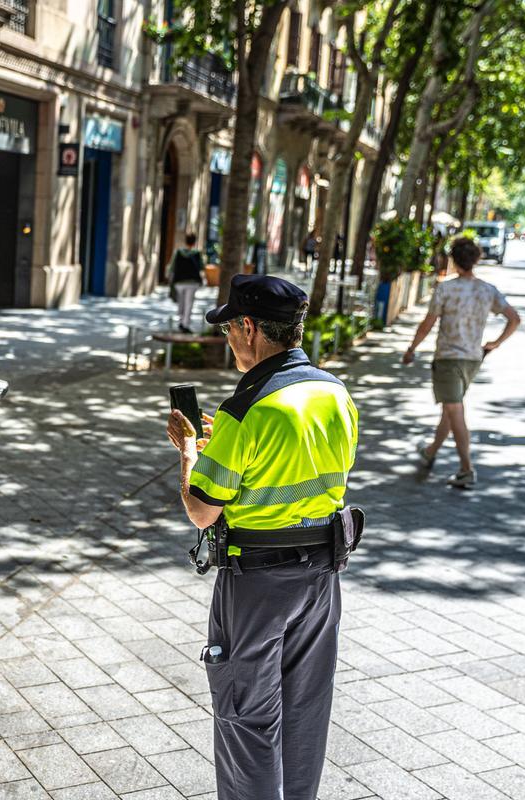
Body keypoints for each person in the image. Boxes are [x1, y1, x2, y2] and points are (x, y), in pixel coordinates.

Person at [164, 274, 358, 800]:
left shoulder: (244, 408)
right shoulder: (333, 392)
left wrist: (189, 454)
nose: (228, 339)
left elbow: (202, 511)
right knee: (305, 709)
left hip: (256, 585)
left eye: (229, 328)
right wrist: (227, 445)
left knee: (247, 717)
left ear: (249, 327)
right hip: (322, 577)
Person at [403, 238, 521, 489]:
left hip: (448, 358)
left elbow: (428, 323)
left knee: (454, 409)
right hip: (472, 359)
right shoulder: (487, 290)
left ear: (453, 259)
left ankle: (466, 469)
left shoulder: (446, 289)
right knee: (450, 408)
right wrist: (495, 343)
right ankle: (430, 451)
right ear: (476, 259)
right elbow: (514, 319)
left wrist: (412, 348)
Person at [167, 232, 205, 333]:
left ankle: (181, 321)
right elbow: (201, 267)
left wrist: (169, 278)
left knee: (181, 303)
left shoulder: (178, 252)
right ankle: (185, 324)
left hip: (179, 281)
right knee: (189, 304)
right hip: (192, 282)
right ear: (194, 242)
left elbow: (172, 266)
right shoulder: (197, 254)